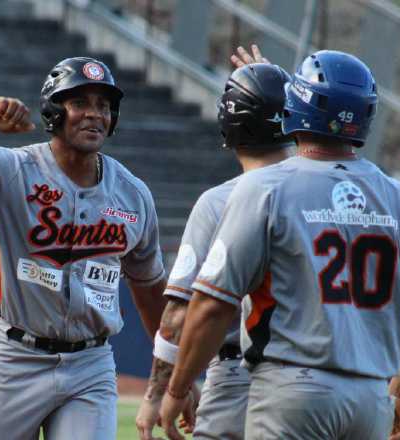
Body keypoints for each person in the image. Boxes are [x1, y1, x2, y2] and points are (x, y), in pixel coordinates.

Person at [158, 50, 400, 440]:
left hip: (292, 386)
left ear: (297, 106)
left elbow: (213, 305)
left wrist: (178, 388)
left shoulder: (263, 187)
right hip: (371, 398)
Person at [0, 56, 167, 440]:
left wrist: (171, 377)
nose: (94, 115)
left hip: (91, 365)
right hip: (14, 358)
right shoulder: (8, 170)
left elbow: (150, 291)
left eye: (104, 106)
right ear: (54, 111)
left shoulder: (132, 194)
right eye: (80, 103)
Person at [135, 58, 293, 440]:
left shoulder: (220, 202)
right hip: (317, 378)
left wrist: (163, 391)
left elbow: (177, 315)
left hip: (240, 379)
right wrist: (272, 88)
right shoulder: (324, 196)